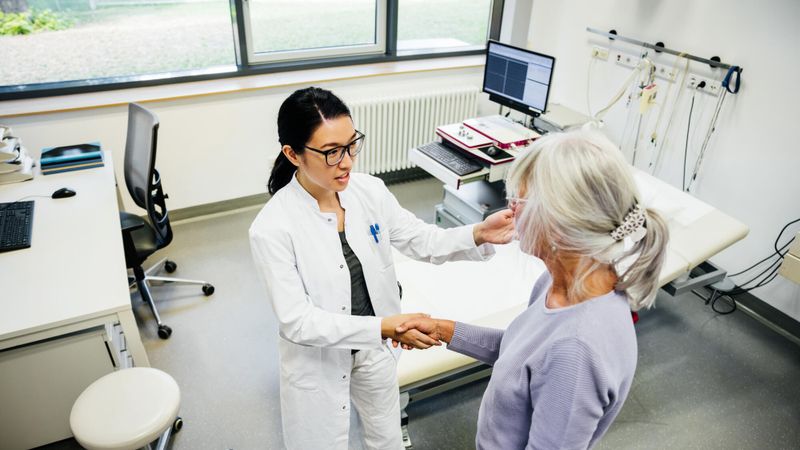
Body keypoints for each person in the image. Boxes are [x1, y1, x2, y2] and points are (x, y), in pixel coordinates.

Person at [248, 86, 514, 450]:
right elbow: (298, 321)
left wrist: (479, 233)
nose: (346, 162)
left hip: (377, 349)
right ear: (293, 154)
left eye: (351, 144)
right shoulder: (272, 228)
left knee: (386, 439)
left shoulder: (368, 191)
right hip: (322, 360)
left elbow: (422, 240)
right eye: (330, 152)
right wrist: (384, 326)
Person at [395, 130, 669, 449]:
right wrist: (443, 330)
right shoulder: (559, 285)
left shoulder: (576, 352)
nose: (510, 211)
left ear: (560, 224)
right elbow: (521, 355)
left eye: (519, 201)